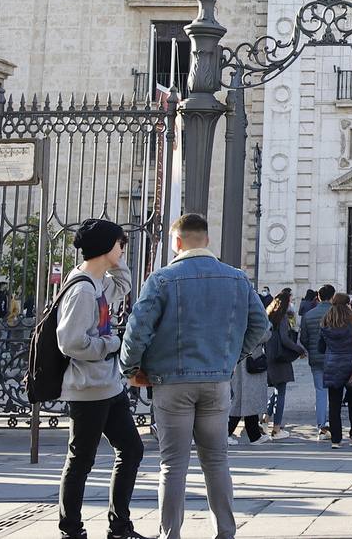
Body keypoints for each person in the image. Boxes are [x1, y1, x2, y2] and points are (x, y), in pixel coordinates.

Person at [120, 213, 269, 539]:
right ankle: (225, 532)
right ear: (207, 240)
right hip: (216, 381)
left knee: (172, 463)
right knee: (216, 461)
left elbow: (137, 331)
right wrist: (230, 358)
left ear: (176, 242)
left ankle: (170, 534)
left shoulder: (161, 280)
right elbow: (261, 328)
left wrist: (132, 370)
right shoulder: (237, 279)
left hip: (170, 383)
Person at [54, 220, 148, 539]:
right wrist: (110, 344)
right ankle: (71, 529)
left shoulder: (98, 283)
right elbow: (69, 341)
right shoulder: (82, 289)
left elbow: (122, 286)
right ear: (106, 247)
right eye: (119, 244)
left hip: (108, 386)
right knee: (81, 460)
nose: (123, 249)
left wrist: (116, 262)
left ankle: (120, 526)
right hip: (87, 389)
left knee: (131, 450)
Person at [318, 292, 352, 448]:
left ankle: (336, 439)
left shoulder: (326, 321)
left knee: (334, 403)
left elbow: (321, 347)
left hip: (332, 364)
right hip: (351, 365)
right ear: (348, 304)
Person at [263, 290, 305, 436]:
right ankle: (276, 428)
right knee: (281, 392)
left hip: (270, 355)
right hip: (280, 358)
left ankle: (265, 419)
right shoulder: (282, 319)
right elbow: (285, 340)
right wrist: (299, 349)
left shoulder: (268, 316)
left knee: (277, 389)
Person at [298, 283, 333, 441]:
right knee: (335, 391)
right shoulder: (335, 314)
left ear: (318, 297)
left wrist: (311, 349)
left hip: (316, 357)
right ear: (332, 297)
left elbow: (303, 338)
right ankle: (334, 424)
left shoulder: (309, 315)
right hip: (333, 357)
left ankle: (321, 426)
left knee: (320, 392)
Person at [226, 341, 269, 446]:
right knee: (240, 401)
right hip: (248, 362)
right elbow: (262, 333)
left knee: (249, 401)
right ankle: (225, 434)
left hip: (243, 360)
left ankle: (255, 436)